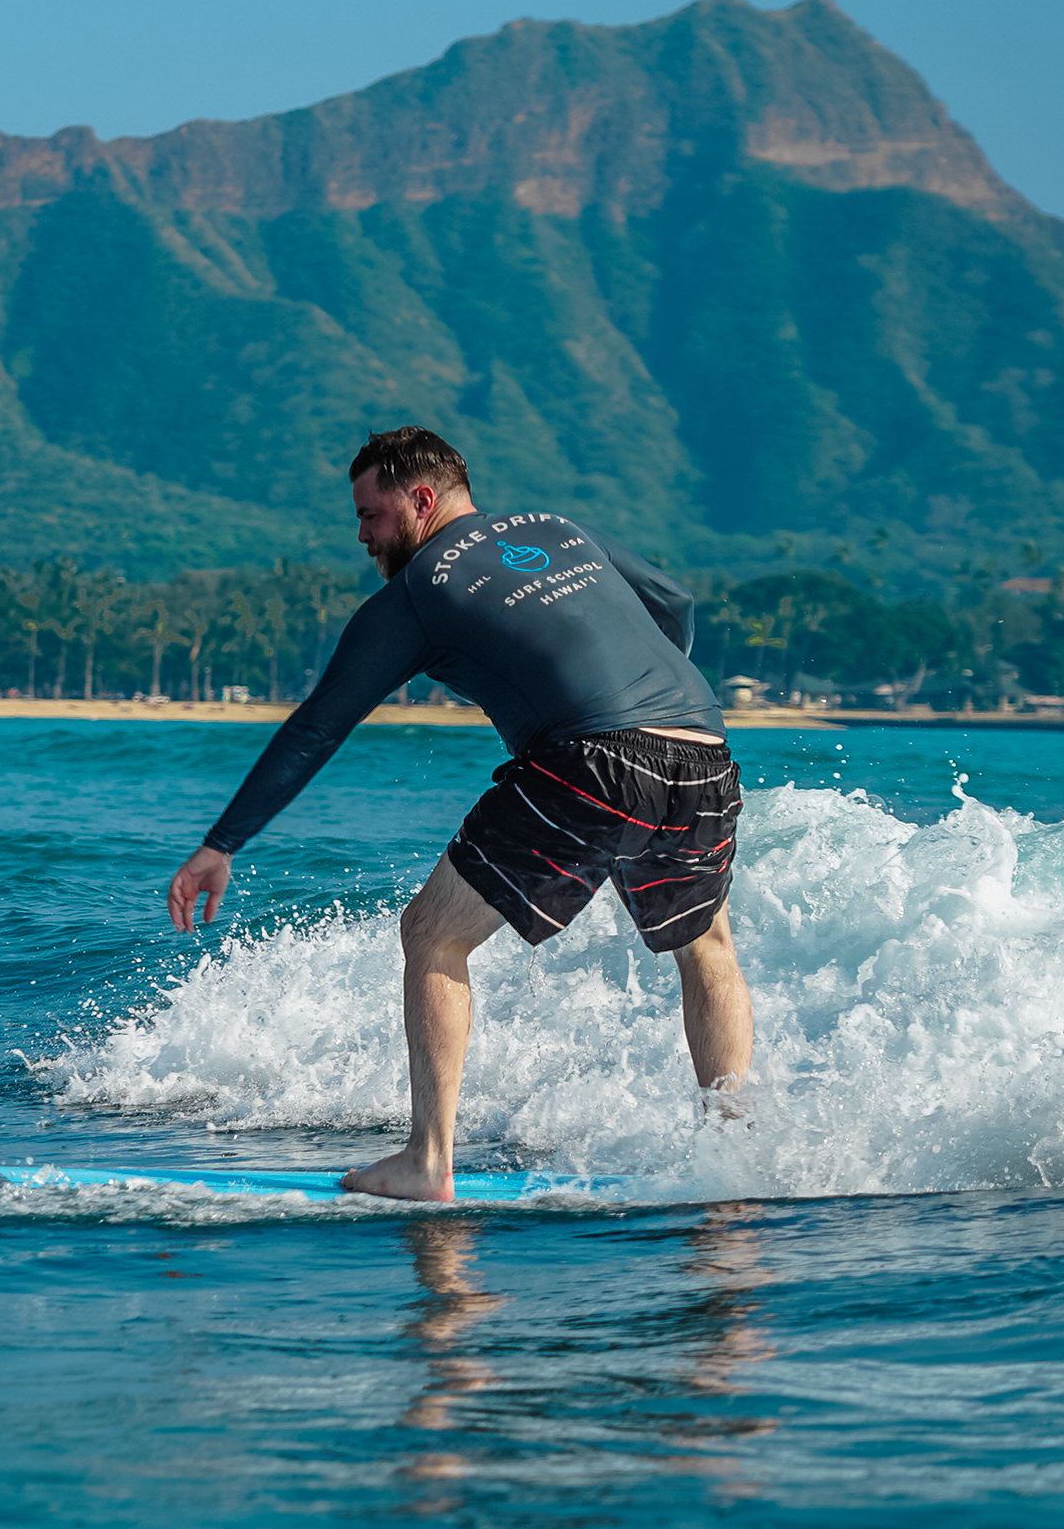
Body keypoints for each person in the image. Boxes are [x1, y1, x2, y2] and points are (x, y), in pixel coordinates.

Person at [165, 426, 753, 1200]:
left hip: (593, 758)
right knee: (706, 946)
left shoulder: (414, 597)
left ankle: (427, 1162)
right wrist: (651, 693)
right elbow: (673, 603)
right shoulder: (557, 529)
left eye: (371, 515)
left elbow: (319, 725)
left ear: (420, 499)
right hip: (702, 745)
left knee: (431, 933)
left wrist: (221, 844)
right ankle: (735, 1159)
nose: (365, 536)